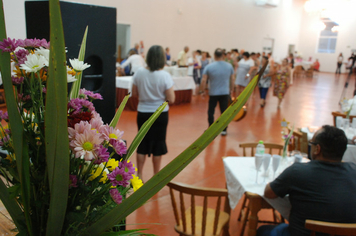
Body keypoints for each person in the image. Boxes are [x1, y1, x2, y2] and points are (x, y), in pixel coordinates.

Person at [258, 125, 356, 236]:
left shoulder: (298, 171)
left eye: (312, 144)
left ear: (317, 149)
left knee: (263, 231)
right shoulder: (353, 171)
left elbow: (269, 192)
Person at [132, 45, 175, 180]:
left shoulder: (139, 73)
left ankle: (139, 175)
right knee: (158, 143)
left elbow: (134, 94)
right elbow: (171, 99)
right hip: (160, 114)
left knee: (142, 143)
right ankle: (156, 175)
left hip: (143, 112)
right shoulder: (165, 75)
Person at [200, 48, 234, 136]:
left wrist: (202, 90)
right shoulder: (229, 66)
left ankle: (211, 128)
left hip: (213, 92)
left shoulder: (209, 66)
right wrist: (231, 89)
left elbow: (204, 80)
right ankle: (224, 129)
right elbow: (232, 78)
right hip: (225, 92)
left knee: (211, 111)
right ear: (223, 55)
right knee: (224, 111)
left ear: (214, 56)